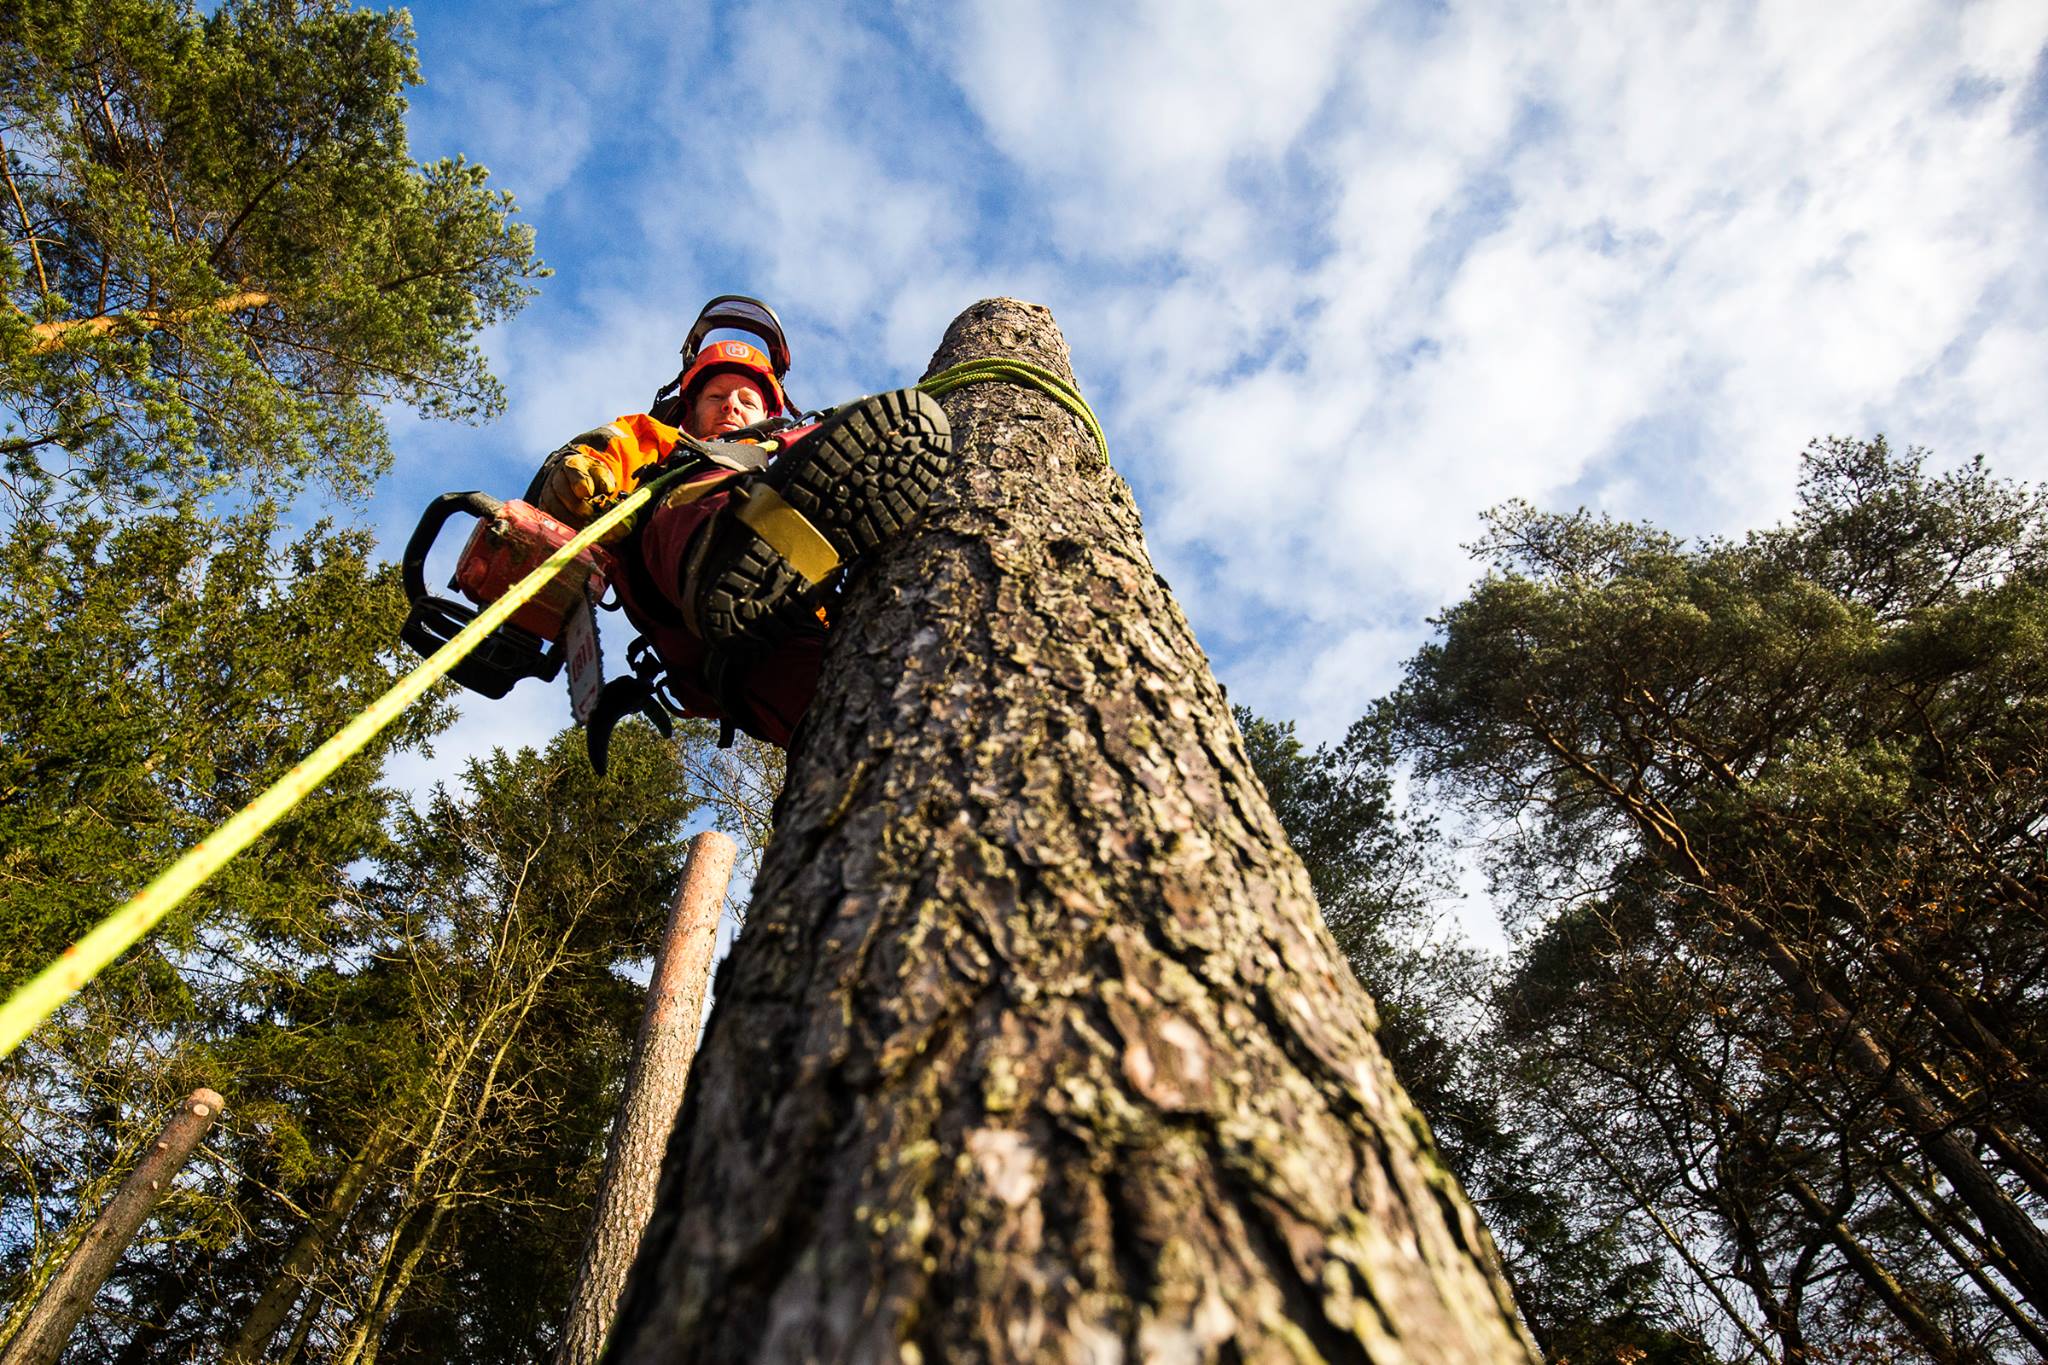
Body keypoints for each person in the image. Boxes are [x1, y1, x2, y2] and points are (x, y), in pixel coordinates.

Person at [526, 335, 952, 759]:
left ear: (768, 412)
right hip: (687, 594)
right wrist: (578, 476)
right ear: (689, 409)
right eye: (716, 396)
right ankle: (734, 545)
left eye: (746, 398)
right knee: (699, 491)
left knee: (850, 725)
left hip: (797, 630)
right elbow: (598, 454)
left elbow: (873, 451)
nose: (731, 405)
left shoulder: (795, 442)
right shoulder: (657, 440)